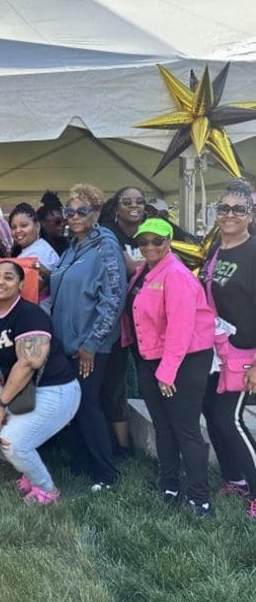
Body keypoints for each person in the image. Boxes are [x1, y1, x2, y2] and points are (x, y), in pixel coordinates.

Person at [122, 218, 215, 516]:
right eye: (143, 241)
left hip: (183, 360)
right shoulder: (144, 272)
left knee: (185, 429)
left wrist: (167, 371)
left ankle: (200, 498)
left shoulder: (176, 275)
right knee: (163, 426)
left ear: (169, 241)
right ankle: (169, 485)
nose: (150, 246)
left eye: (157, 241)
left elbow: (181, 328)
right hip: (150, 358)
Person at [0, 261, 81, 505]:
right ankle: (28, 475)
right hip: (20, 389)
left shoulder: (30, 315)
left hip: (55, 389)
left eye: (9, 277)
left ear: (21, 284)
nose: (1, 282)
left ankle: (47, 490)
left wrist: (0, 405)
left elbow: (28, 363)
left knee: (13, 443)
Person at [50, 184, 126, 491]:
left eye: (83, 210)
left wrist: (91, 345)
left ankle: (107, 474)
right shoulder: (73, 247)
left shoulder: (105, 246)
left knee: (88, 405)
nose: (75, 216)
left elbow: (114, 297)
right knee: (76, 403)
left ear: (96, 213)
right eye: (70, 210)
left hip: (91, 345)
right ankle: (81, 462)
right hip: (69, 343)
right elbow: (60, 280)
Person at [199, 180, 256, 520]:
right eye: (224, 208)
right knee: (212, 413)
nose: (230, 214)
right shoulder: (216, 251)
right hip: (215, 351)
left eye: (239, 209)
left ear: (250, 215)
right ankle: (235, 478)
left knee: (230, 419)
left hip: (243, 354)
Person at [99, 185, 149, 457]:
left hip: (150, 323)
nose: (134, 206)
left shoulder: (153, 232)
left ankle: (157, 435)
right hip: (118, 320)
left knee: (150, 378)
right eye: (126, 201)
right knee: (116, 381)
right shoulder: (108, 235)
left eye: (139, 201)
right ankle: (123, 445)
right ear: (116, 207)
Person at [8, 203, 59, 310]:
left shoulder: (40, 253)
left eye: (24, 225)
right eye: (14, 227)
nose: (18, 230)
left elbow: (29, 289)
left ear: (38, 226)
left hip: (39, 314)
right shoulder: (34, 248)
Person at [37, 191, 69, 256]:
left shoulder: (68, 245)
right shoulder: (35, 246)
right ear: (43, 223)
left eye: (65, 221)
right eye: (57, 221)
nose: (63, 224)